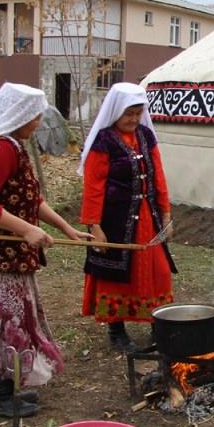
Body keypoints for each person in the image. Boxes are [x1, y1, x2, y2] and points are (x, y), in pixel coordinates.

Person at [0, 82, 90, 417]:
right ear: (18, 115)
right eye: (35, 116)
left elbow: (31, 199)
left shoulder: (14, 147)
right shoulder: (0, 149)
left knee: (12, 319)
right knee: (1, 321)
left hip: (9, 257)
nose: (39, 122)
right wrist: (27, 229)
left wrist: (64, 227)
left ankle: (2, 387)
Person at [78, 82, 176, 352]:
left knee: (159, 271)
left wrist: (166, 213)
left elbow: (159, 175)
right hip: (115, 220)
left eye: (137, 112)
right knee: (117, 272)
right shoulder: (104, 142)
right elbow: (94, 187)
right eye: (128, 114)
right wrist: (94, 226)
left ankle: (159, 325)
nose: (133, 119)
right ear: (116, 112)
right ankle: (116, 329)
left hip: (148, 217)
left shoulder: (146, 135)